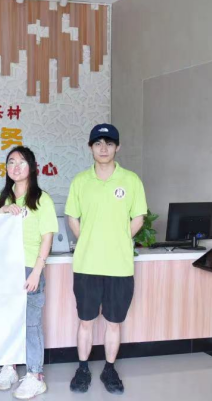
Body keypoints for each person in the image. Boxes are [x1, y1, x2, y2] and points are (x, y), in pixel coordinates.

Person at [65, 123, 147, 394]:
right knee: (85, 321)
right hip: (87, 265)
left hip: (119, 266)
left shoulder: (131, 180)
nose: (103, 148)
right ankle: (83, 369)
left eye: (109, 143)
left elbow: (138, 217)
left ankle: (109, 370)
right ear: (90, 147)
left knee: (114, 322)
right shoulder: (80, 181)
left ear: (117, 147)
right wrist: (88, 239)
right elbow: (72, 217)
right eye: (98, 143)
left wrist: (119, 239)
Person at [0, 146, 58, 399]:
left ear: (32, 167)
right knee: (7, 320)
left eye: (21, 162)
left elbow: (47, 238)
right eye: (11, 162)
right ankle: (9, 367)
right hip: (5, 269)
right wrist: (2, 211)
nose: (16, 167)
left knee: (31, 324)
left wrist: (36, 272)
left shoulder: (42, 199)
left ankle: (35, 375)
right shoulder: (2, 199)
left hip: (30, 268)